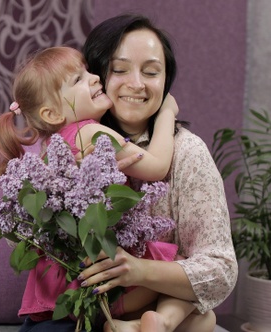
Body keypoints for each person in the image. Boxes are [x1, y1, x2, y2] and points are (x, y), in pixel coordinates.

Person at [0, 46, 180, 332]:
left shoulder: (52, 147)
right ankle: (126, 321)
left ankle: (131, 326)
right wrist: (167, 112)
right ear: (51, 113)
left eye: (88, 71)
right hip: (96, 271)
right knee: (174, 275)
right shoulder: (91, 132)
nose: (94, 78)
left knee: (202, 316)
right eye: (78, 79)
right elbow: (157, 167)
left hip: (65, 278)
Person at [79, 13, 238, 332]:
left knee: (202, 318)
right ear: (95, 76)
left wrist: (138, 271)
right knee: (203, 322)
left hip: (158, 301)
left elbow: (220, 270)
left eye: (151, 72)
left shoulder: (188, 153)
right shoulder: (80, 143)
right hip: (92, 305)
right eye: (120, 69)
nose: (136, 84)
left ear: (166, 82)